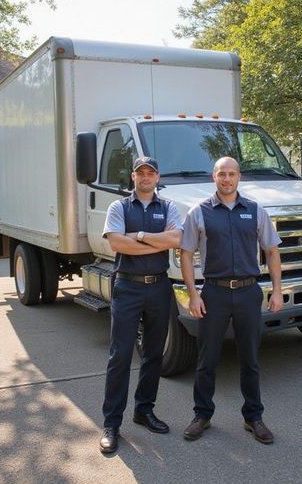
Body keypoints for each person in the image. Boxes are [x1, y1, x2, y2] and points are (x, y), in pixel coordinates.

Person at [179, 156, 283, 444]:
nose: (227, 179)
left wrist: (276, 290)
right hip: (214, 292)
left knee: (250, 359)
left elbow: (272, 251)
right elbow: (185, 253)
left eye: (232, 174)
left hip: (249, 292)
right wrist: (193, 294)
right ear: (214, 177)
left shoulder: (255, 210)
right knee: (207, 359)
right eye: (222, 174)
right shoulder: (198, 212)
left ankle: (253, 417)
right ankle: (202, 415)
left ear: (240, 178)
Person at [99, 156, 183, 454]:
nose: (146, 177)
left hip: (159, 286)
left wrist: (141, 236)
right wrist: (154, 242)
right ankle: (111, 423)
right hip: (128, 286)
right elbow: (118, 244)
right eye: (140, 172)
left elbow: (175, 239)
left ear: (157, 177)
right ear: (133, 177)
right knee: (120, 355)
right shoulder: (119, 207)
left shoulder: (168, 207)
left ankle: (144, 410)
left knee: (153, 354)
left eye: (151, 172)